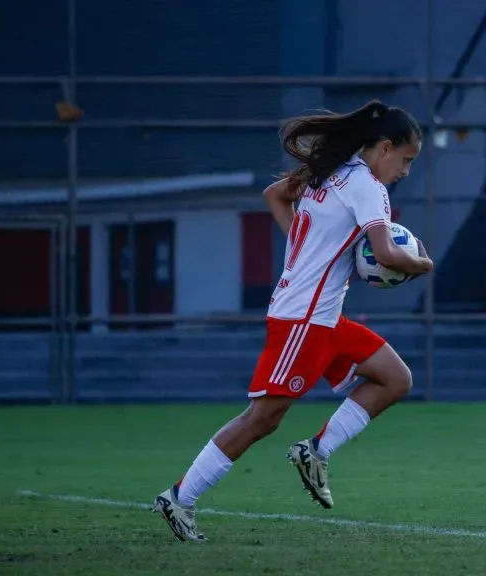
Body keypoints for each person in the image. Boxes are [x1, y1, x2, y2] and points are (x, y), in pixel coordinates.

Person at [155, 99, 434, 542]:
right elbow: (384, 254)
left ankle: (316, 450)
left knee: (394, 378)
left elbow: (274, 194)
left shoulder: (334, 169)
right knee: (262, 419)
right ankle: (179, 498)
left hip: (322, 316)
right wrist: (422, 264)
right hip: (303, 319)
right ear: (384, 147)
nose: (405, 171)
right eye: (406, 159)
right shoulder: (367, 187)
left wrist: (309, 251)